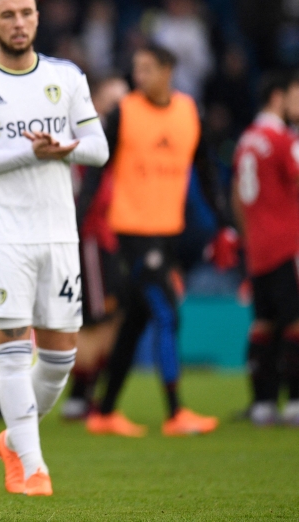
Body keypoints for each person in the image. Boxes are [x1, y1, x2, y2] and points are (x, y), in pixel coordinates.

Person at [0, 0, 109, 496]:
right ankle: (34, 469)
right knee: (14, 348)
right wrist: (28, 151)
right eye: (9, 15)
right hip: (5, 234)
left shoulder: (66, 77)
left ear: (38, 18)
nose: (20, 23)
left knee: (61, 357)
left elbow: (99, 149)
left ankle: (14, 438)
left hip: (59, 231)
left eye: (27, 13)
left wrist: (59, 145)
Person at [84, 43, 225, 437]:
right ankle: (176, 413)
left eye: (147, 69)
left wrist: (225, 222)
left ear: (168, 70)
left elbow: (208, 172)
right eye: (136, 69)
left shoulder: (188, 113)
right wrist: (78, 216)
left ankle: (104, 412)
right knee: (167, 314)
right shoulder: (124, 112)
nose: (139, 77)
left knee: (134, 322)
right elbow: (97, 171)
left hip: (168, 232)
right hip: (132, 231)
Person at [232, 73, 299, 426]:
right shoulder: (282, 139)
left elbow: (236, 196)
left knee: (263, 322)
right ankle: (295, 402)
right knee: (294, 322)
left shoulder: (246, 140)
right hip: (288, 244)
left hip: (257, 246)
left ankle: (262, 402)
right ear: (278, 97)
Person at [61, 76, 129, 420]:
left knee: (112, 316)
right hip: (92, 237)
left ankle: (88, 390)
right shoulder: (90, 138)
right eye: (112, 100)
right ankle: (79, 394)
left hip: (116, 235)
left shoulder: (119, 138)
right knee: (92, 319)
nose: (120, 107)